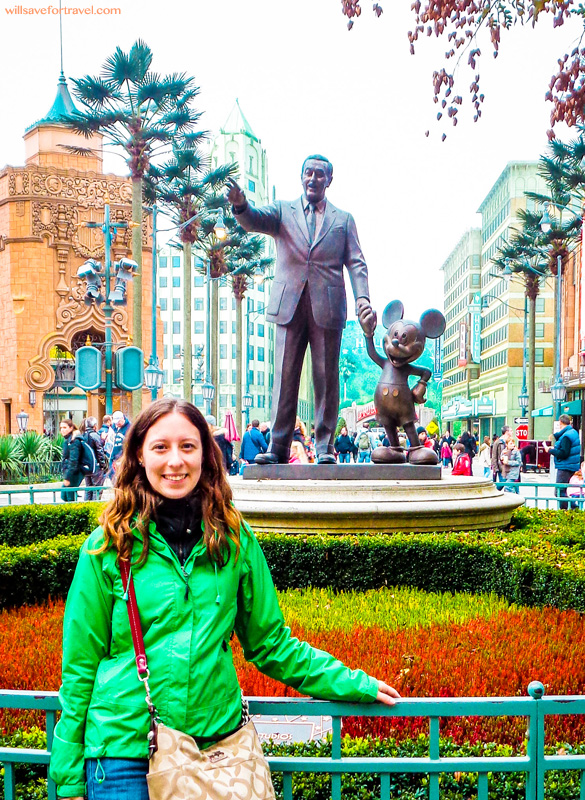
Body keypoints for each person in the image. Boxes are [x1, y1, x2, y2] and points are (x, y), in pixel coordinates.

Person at [49, 398, 399, 800]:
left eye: (188, 446)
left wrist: (354, 683)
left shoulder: (232, 540)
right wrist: (69, 771)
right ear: (140, 456)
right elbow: (79, 666)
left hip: (215, 750)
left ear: (206, 456)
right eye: (161, 447)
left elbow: (271, 644)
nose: (175, 461)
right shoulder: (109, 547)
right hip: (124, 755)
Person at [227, 156, 376, 465]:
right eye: (308, 173)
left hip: (328, 307)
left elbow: (357, 262)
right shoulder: (283, 210)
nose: (312, 178)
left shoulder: (344, 219)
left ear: (329, 181)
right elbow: (253, 219)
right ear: (301, 177)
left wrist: (363, 299)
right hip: (289, 305)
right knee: (284, 377)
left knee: (326, 378)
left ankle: (324, 448)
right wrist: (240, 205)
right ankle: (278, 447)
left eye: (319, 174)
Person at [542, 414, 581, 510]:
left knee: (559, 491)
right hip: (571, 465)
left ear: (560, 423)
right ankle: (569, 509)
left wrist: (550, 450)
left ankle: (572, 508)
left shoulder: (566, 436)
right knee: (561, 490)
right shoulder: (573, 432)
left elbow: (564, 453)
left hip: (565, 466)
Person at [80, 417, 108, 502]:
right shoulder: (95, 436)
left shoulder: (83, 436)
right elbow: (100, 452)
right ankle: (95, 506)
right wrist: (103, 465)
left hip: (86, 467)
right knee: (97, 489)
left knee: (88, 488)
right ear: (95, 426)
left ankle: (86, 507)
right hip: (96, 467)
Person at [59, 418, 84, 502]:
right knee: (65, 496)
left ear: (71, 428)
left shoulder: (74, 441)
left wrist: (68, 477)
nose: (62, 430)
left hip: (74, 473)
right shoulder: (68, 440)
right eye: (61, 428)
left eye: (64, 427)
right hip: (70, 472)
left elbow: (73, 460)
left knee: (69, 497)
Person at [105, 410, 131, 483]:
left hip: (123, 457)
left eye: (118, 422)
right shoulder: (113, 427)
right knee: (113, 478)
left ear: (123, 418)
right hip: (113, 456)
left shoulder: (129, 428)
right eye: (115, 422)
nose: (117, 424)